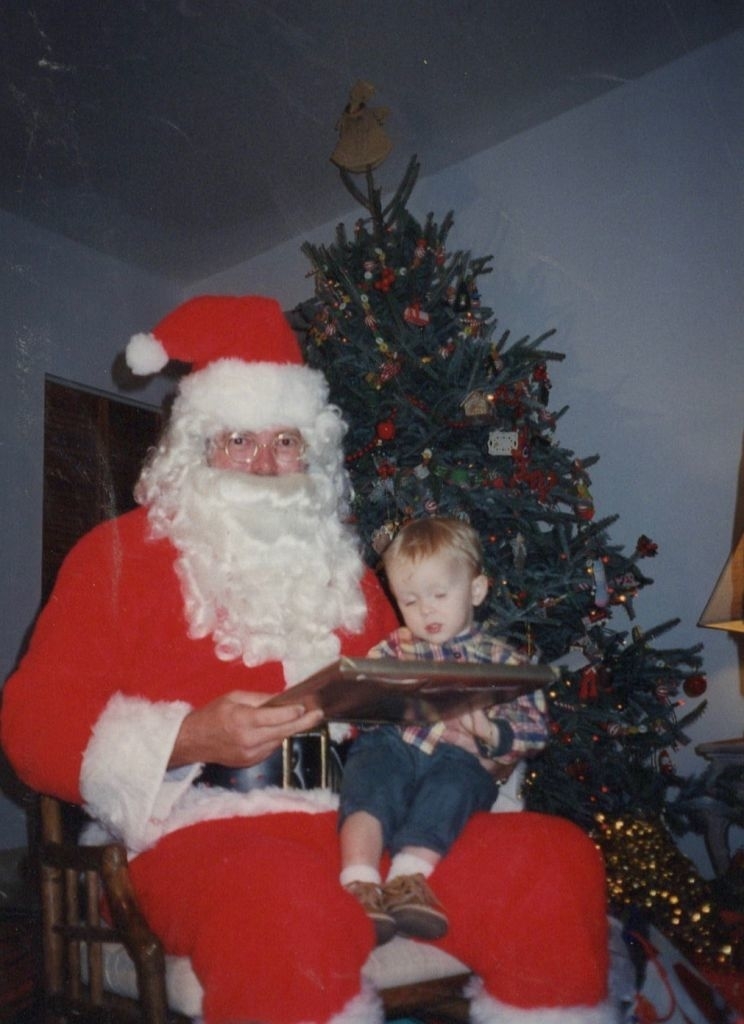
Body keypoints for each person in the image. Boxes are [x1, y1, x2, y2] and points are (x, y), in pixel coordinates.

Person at [1, 295, 614, 1024]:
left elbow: (409, 691)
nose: (264, 464)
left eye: (286, 441)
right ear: (196, 449)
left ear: (311, 453)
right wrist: (192, 735)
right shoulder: (114, 557)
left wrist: (471, 734)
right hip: (205, 833)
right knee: (284, 899)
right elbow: (32, 730)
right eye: (238, 440)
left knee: (553, 860)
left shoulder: (349, 573)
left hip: (369, 820)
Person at [339, 517, 549, 945]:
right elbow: (359, 704)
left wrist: (490, 732)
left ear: (475, 590)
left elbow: (535, 725)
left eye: (439, 594)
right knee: (370, 781)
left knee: (457, 785)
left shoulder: (502, 660)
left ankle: (407, 878)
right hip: (394, 745)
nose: (426, 610)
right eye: (410, 600)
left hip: (457, 757)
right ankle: (358, 881)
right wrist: (366, 703)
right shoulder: (395, 647)